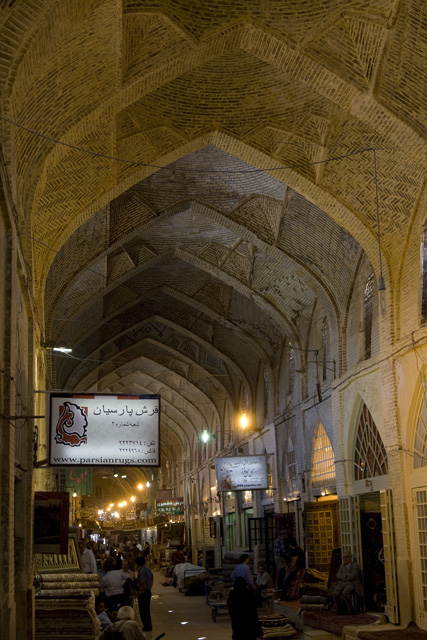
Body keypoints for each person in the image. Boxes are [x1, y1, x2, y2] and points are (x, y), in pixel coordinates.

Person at [333, 551, 362, 615]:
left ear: (350, 557)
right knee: (335, 593)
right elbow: (337, 575)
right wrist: (345, 575)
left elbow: (354, 576)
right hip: (342, 583)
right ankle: (339, 609)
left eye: (346, 557)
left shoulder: (355, 566)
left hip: (351, 583)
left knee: (345, 593)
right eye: (344, 557)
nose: (345, 559)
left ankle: (350, 609)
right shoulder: (342, 566)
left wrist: (344, 576)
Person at [135, 556, 154, 632]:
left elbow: (143, 582)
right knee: (147, 610)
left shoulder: (141, 571)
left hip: (144, 592)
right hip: (148, 591)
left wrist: (141, 591)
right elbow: (152, 580)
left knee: (143, 610)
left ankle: (146, 626)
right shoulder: (148, 569)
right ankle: (148, 625)